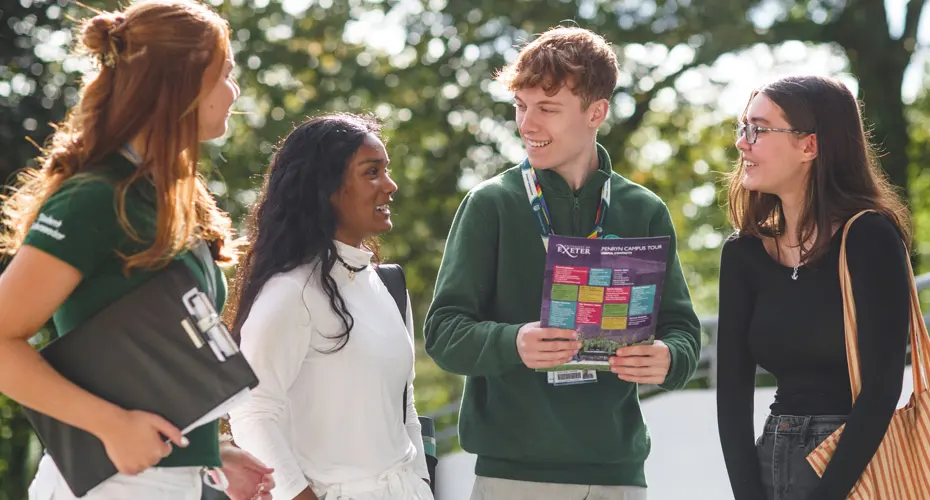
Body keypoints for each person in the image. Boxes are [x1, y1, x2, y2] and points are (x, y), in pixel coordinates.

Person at [0, 1, 273, 498]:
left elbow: (155, 356)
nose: (235, 93)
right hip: (107, 484)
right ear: (183, 85)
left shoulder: (171, 200)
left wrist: (209, 451)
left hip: (165, 482)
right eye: (226, 75)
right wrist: (109, 424)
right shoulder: (97, 196)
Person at [423, 26, 702, 500]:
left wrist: (667, 358)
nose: (527, 124)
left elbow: (684, 333)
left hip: (618, 477)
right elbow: (444, 333)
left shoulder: (644, 210)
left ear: (596, 112)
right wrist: (515, 342)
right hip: (512, 477)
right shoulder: (490, 204)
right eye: (520, 106)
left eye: (547, 109)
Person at [715, 75, 913, 500]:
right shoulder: (743, 253)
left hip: (855, 464)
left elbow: (882, 388)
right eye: (742, 127)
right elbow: (731, 395)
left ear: (810, 145)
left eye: (759, 129)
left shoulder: (869, 237)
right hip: (771, 457)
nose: (742, 143)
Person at [226, 113, 434, 500]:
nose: (390, 186)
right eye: (371, 172)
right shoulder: (290, 292)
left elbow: (405, 408)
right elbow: (252, 411)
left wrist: (421, 483)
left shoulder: (388, 284)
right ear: (326, 188)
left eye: (385, 171)